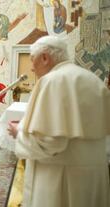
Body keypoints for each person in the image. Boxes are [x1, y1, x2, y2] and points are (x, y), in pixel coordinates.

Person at [7, 36, 110, 207]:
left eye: (33, 60)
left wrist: (19, 132)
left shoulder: (53, 80)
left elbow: (49, 142)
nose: (32, 68)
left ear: (45, 57)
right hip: (92, 178)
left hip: (61, 182)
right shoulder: (92, 80)